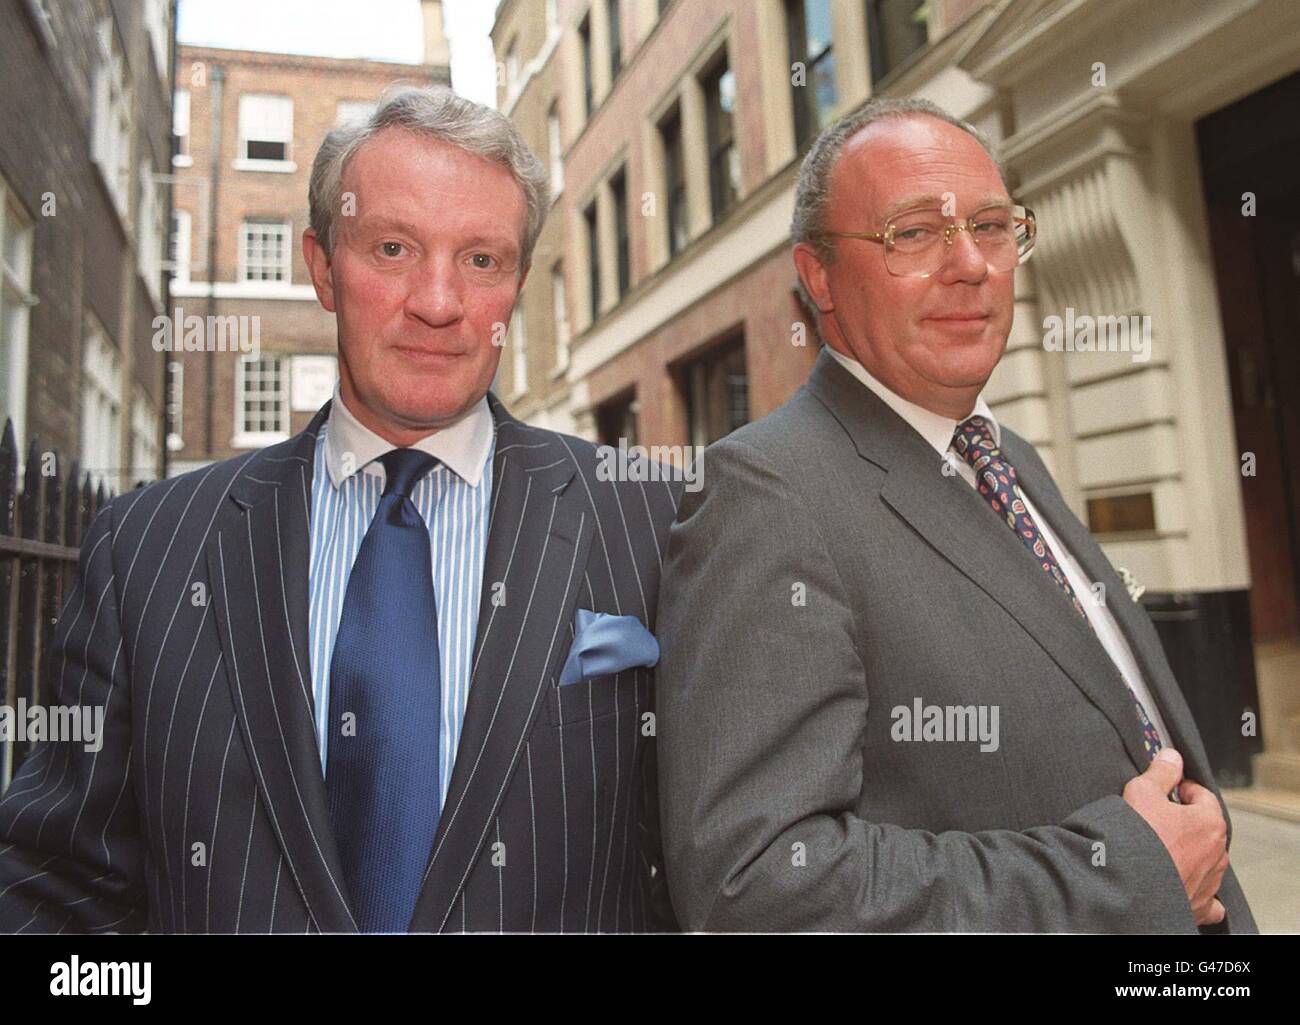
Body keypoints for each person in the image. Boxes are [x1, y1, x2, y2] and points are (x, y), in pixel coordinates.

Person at [0, 86, 679, 934]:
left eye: (481, 260)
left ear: (516, 285)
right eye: (392, 248)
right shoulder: (149, 552)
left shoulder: (652, 521)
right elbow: (58, 886)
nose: (439, 300)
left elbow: (700, 873)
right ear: (322, 266)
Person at [654, 97, 1256, 933]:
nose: (970, 263)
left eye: (992, 225)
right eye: (913, 232)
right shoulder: (767, 494)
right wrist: (1120, 878)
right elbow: (756, 887)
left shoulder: (1008, 456)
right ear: (818, 274)